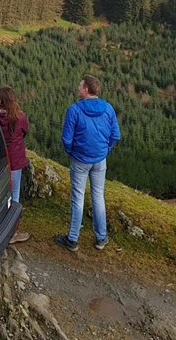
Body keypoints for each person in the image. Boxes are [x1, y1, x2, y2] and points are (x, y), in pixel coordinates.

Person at [54, 75, 120, 252]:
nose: (78, 87)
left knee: (78, 198)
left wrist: (72, 152)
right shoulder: (108, 108)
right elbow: (115, 135)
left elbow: (66, 138)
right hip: (100, 160)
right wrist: (104, 150)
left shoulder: (74, 110)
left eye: (80, 85)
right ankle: (101, 238)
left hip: (80, 160)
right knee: (98, 197)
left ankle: (73, 239)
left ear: (86, 90)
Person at [0, 85, 30, 243]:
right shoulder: (20, 117)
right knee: (14, 196)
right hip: (15, 161)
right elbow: (25, 132)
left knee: (0, 195)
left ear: (1, 100)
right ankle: (13, 232)